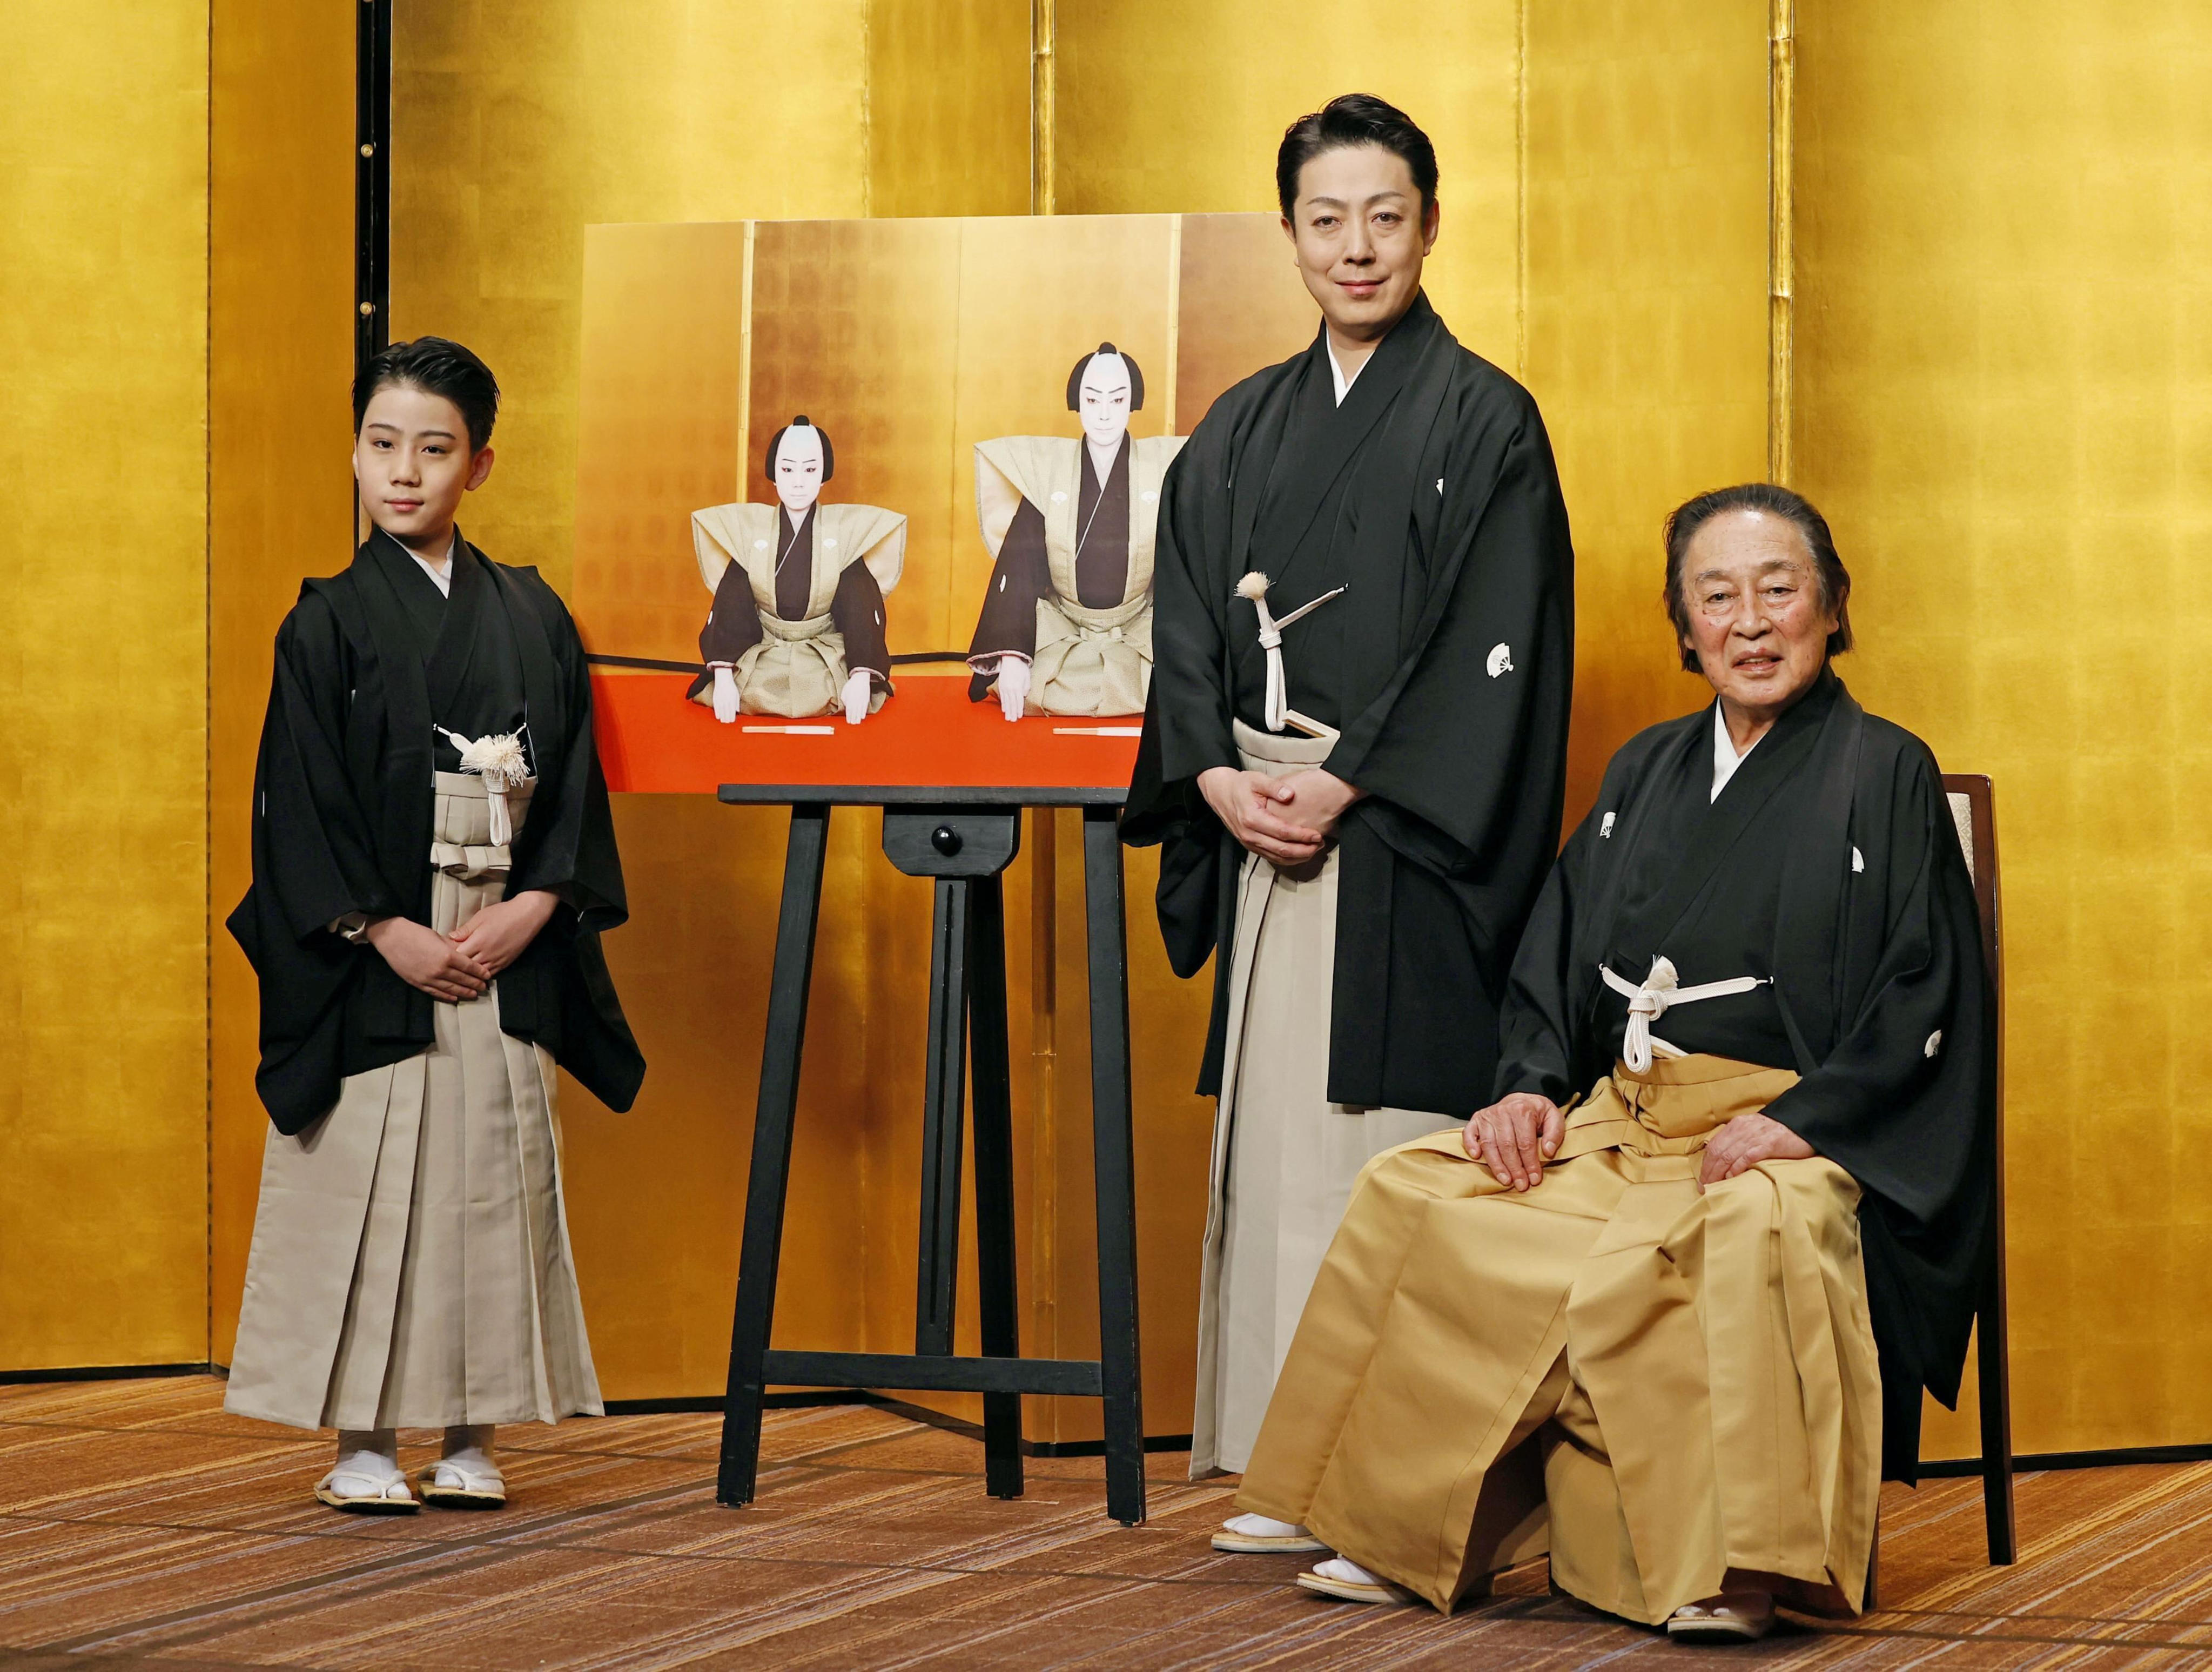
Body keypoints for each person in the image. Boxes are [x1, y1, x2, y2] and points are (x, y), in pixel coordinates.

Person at [1232, 484, 1994, 1643]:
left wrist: (1812, 1120)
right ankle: (1401, 1530)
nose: (1749, 621)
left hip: (1787, 1124)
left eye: (1777, 589)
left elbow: (1924, 989)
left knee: (1750, 1235)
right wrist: (1531, 1080)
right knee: (1427, 1189)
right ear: (1681, 627)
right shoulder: (1644, 770)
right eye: (1716, 596)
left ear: (1832, 608)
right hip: (1628, 1112)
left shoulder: (1883, 769)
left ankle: (1736, 1563)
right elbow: (1562, 946)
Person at [1122, 92, 1576, 1497]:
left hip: (1394, 844)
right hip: (1257, 821)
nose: (1356, 247)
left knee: (1384, 1160)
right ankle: (1273, 1453)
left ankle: (1392, 1482)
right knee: (1276, 1161)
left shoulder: (1484, 418)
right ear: (1289, 234)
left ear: (1429, 226)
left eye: (1385, 216)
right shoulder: (1239, 429)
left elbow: (1488, 641)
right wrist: (1211, 773)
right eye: (1326, 220)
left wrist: (1347, 777)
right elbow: (1183, 619)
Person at [225, 337, 645, 1514]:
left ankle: (473, 1431)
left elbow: (573, 785)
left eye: (433, 447)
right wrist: (380, 928)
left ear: (481, 463)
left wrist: (535, 903)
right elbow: (295, 802)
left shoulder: (533, 609)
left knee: (485, 1182)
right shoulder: (325, 624)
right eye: (381, 443)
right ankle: (360, 1437)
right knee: (366, 1175)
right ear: (356, 452)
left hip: (502, 938)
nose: (402, 471)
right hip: (375, 944)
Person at [966, 344, 1187, 719]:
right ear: (1076, 401)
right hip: (1062, 630)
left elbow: (1182, 567)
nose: (1104, 414)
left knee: (1173, 685)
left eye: (1117, 400)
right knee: (1031, 680)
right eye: (1092, 399)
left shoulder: (1161, 467)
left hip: (1137, 631)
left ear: (1133, 402)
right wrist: (1011, 655)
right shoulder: (1046, 470)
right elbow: (1018, 568)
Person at [689, 417, 905, 725]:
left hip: (825, 652)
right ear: (773, 475)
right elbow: (731, 603)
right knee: (746, 689)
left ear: (824, 474)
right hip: (765, 649)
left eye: (810, 469)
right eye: (788, 469)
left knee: (838, 688)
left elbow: (860, 606)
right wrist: (723, 677)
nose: (799, 482)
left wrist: (859, 677)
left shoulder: (845, 533)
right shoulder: (751, 532)